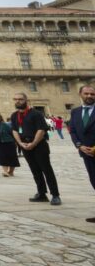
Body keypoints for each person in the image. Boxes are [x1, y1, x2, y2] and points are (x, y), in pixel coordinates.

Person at [10, 92, 61, 205]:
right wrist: (20, 143)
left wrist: (33, 143)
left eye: (21, 99)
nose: (18, 101)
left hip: (39, 146)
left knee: (46, 170)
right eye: (16, 99)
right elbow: (14, 130)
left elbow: (41, 130)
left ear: (26, 100)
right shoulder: (14, 115)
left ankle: (55, 195)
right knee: (35, 170)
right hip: (25, 145)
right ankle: (41, 193)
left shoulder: (36, 114)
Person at [69, 85, 95, 222]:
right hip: (86, 153)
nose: (90, 96)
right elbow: (73, 131)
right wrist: (79, 146)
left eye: (92, 94)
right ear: (80, 94)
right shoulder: (75, 112)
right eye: (87, 93)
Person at [0, 112, 19, 177]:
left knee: (12, 157)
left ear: (0, 116)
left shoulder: (5, 124)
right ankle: (5, 171)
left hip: (8, 143)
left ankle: (11, 172)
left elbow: (12, 133)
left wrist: (16, 142)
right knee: (2, 157)